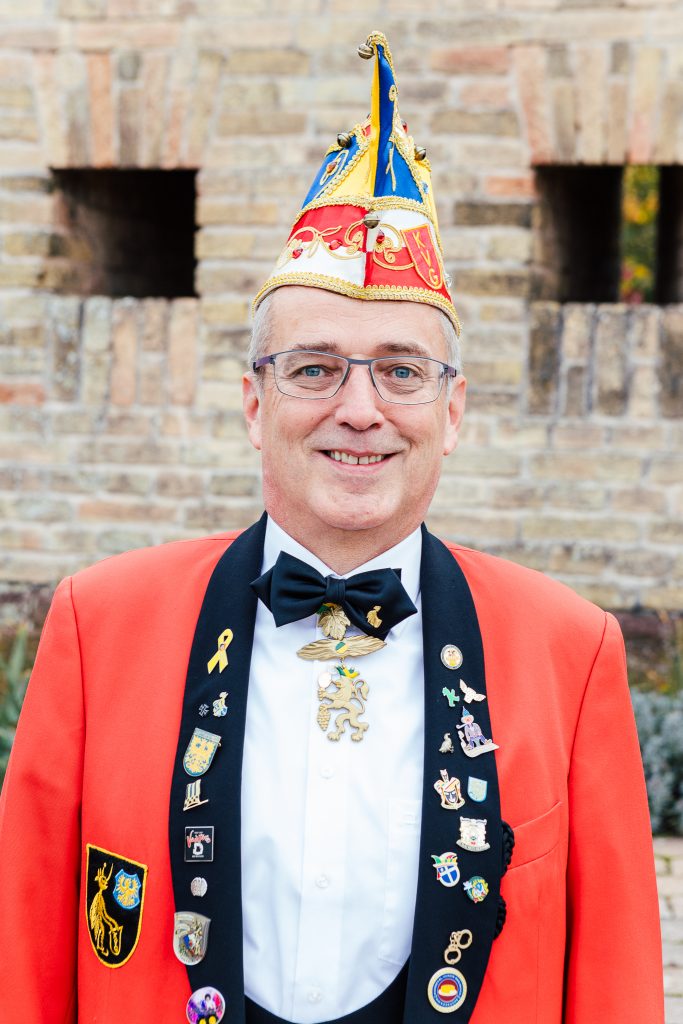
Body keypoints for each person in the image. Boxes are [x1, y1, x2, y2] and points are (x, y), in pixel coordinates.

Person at [0, 31, 663, 1024]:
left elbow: (613, 983)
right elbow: (22, 961)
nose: (359, 409)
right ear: (253, 404)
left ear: (452, 411)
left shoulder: (571, 653)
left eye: (400, 370)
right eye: (313, 368)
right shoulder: (97, 627)